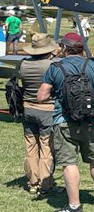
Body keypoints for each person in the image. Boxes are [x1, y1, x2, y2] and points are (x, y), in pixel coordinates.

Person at [37, 33, 94, 212]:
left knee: (69, 163)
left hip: (64, 122)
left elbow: (41, 96)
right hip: (91, 120)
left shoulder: (55, 68)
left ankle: (74, 206)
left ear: (65, 48)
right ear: (82, 48)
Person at [19, 33, 59, 195]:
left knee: (31, 147)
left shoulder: (23, 64)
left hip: (28, 108)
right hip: (47, 110)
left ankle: (33, 182)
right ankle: (45, 184)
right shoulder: (52, 66)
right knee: (47, 148)